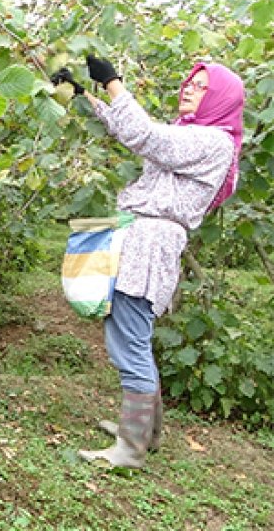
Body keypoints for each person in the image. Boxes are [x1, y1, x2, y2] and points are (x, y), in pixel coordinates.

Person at [52, 56, 244, 469]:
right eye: (190, 82)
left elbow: (145, 136)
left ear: (222, 99)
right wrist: (87, 95)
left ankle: (131, 448)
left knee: (129, 342)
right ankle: (147, 433)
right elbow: (132, 133)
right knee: (134, 335)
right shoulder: (189, 136)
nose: (190, 88)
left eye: (202, 86)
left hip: (149, 243)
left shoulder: (214, 142)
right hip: (144, 240)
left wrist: (114, 82)